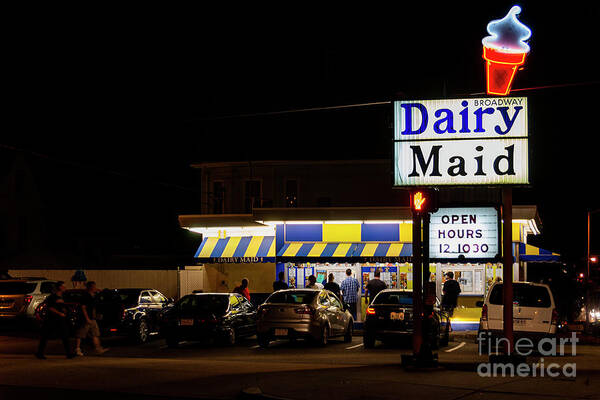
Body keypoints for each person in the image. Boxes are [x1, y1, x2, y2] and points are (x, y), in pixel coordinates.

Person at [35, 281, 75, 359]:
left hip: (60, 320)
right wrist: (59, 313)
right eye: (63, 286)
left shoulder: (63, 297)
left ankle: (69, 354)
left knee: (65, 335)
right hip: (51, 319)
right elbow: (50, 307)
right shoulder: (52, 297)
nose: (65, 288)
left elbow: (64, 306)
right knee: (45, 336)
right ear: (59, 287)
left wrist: (65, 310)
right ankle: (40, 353)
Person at [75, 281, 108, 356]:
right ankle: (77, 349)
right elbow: (83, 308)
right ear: (90, 287)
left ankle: (98, 348)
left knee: (95, 333)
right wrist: (87, 318)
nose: (95, 288)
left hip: (92, 318)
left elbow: (94, 307)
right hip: (86, 318)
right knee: (81, 334)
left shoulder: (94, 296)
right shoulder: (85, 296)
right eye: (94, 287)